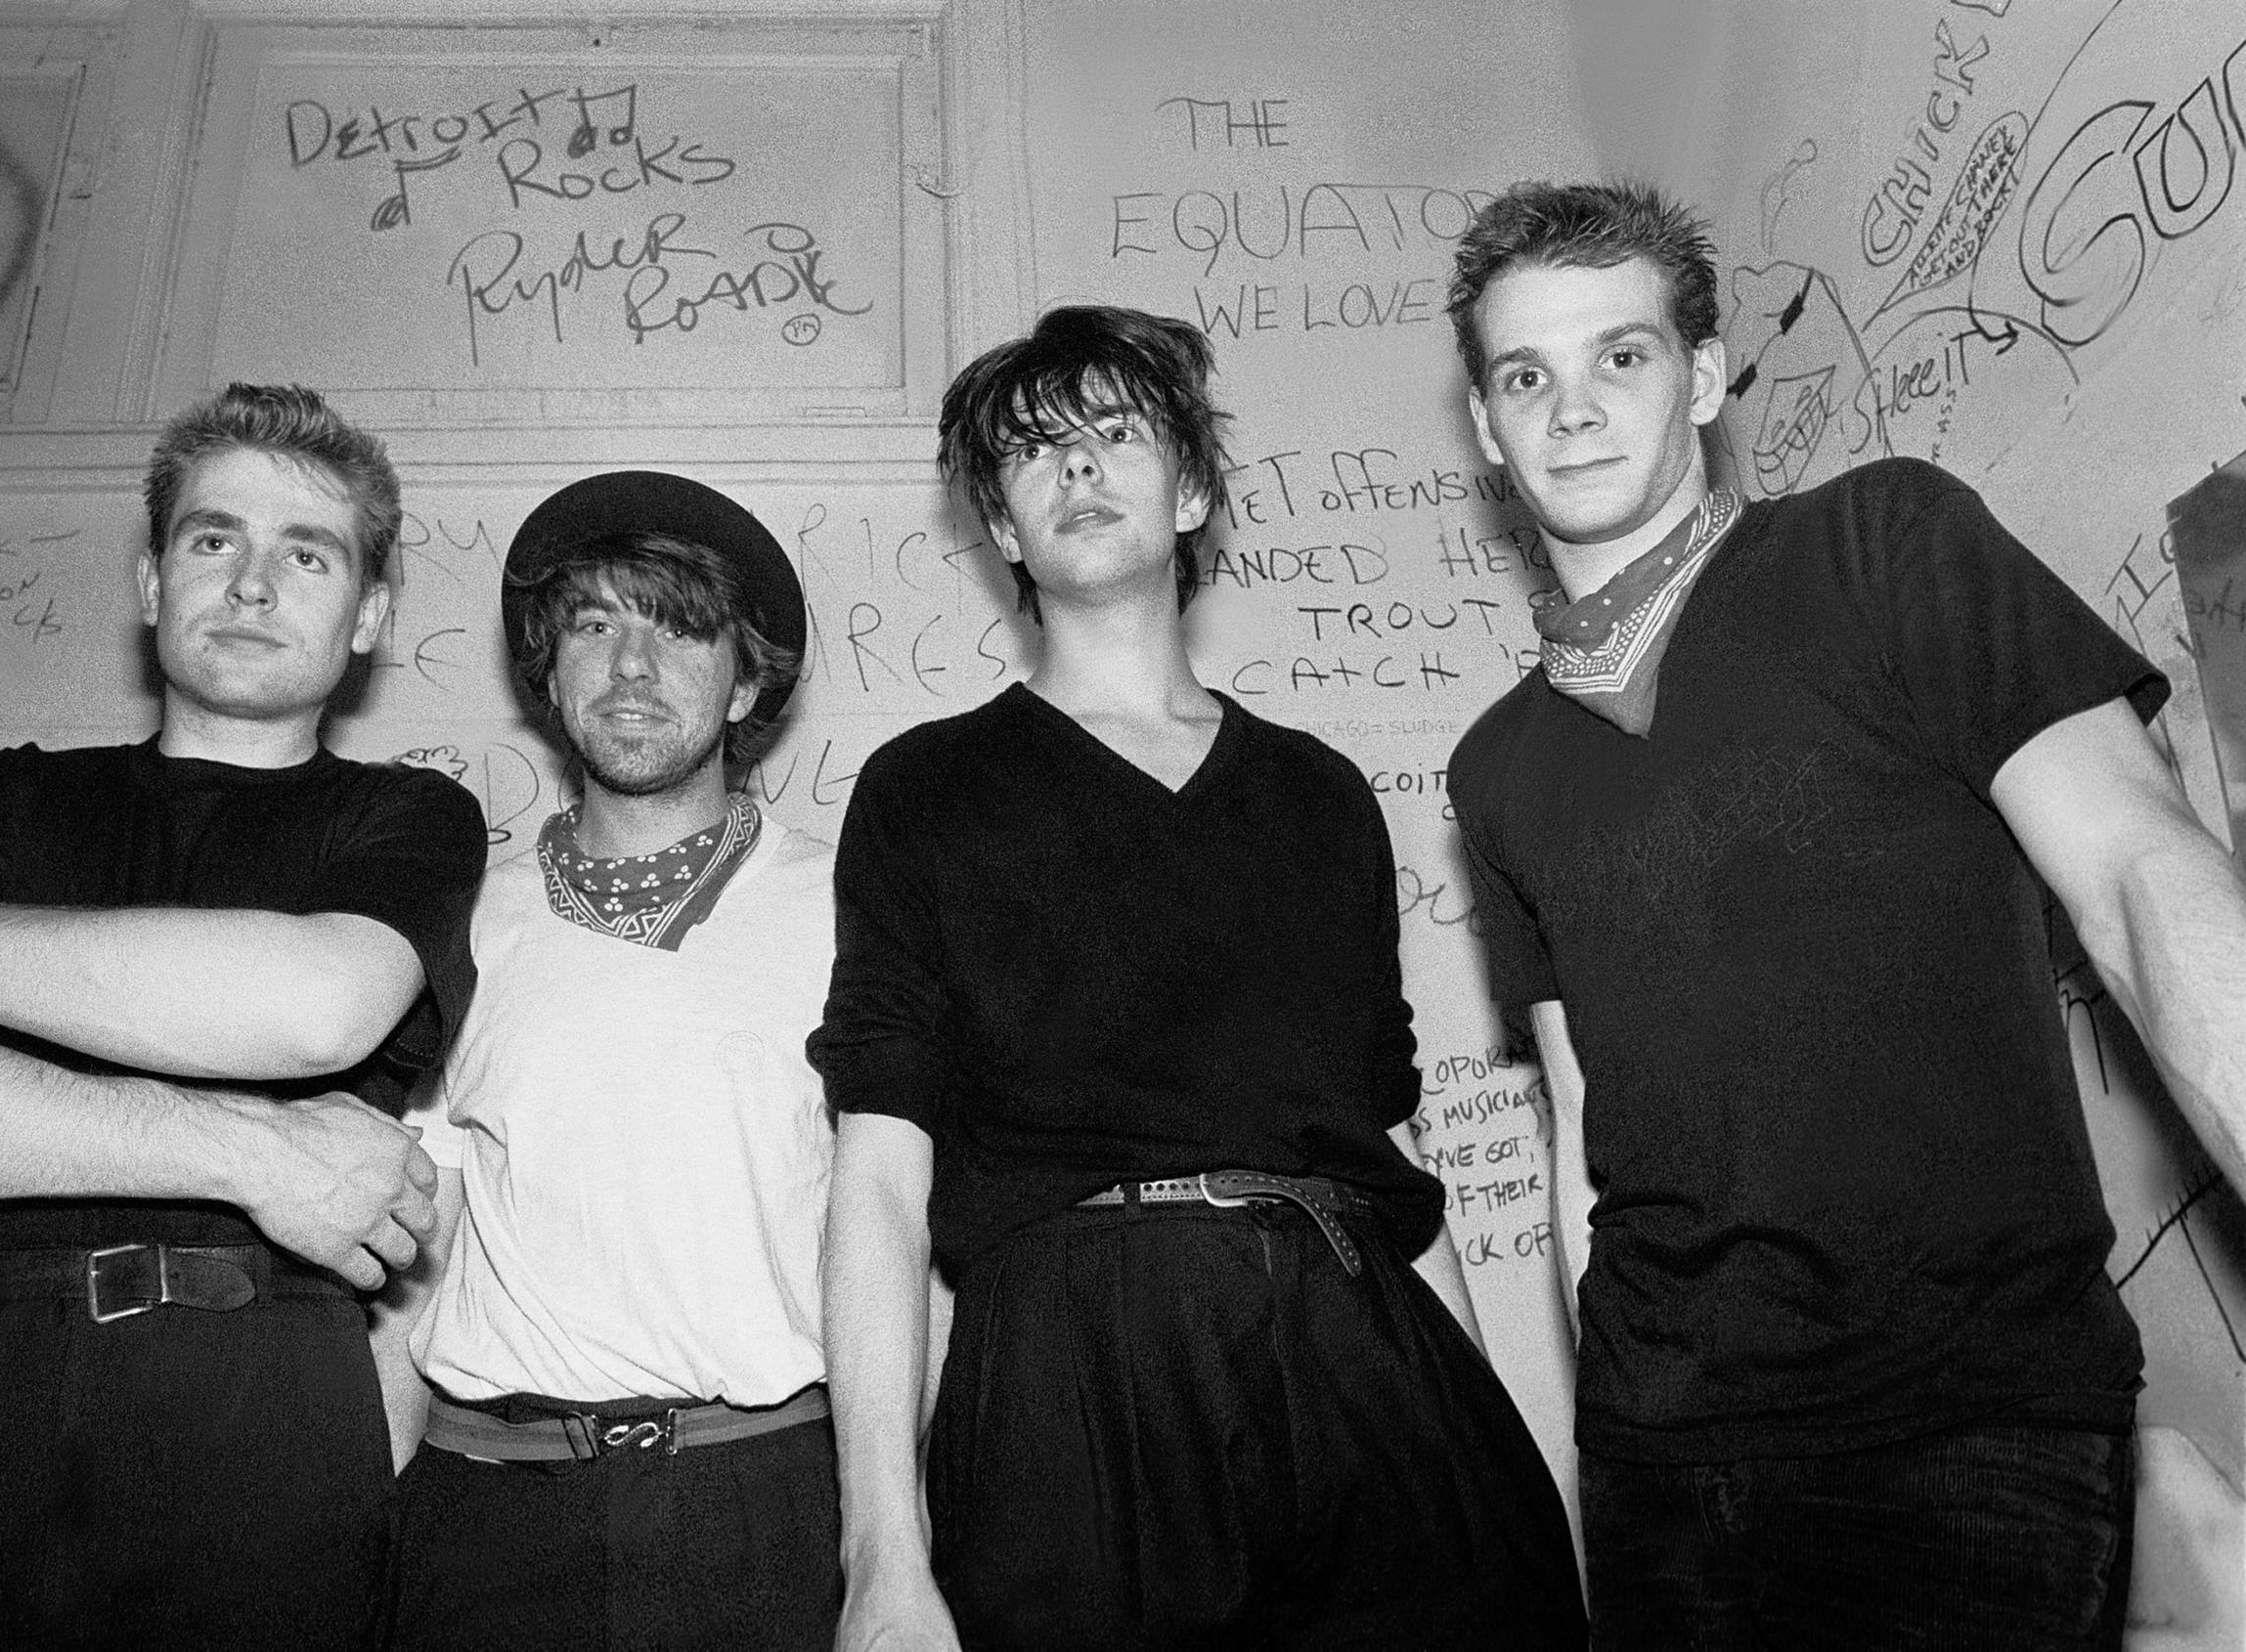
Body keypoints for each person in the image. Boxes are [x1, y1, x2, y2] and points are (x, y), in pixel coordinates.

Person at [1443, 180, 2246, 1650]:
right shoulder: (1495, 764)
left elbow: (2141, 873)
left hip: (1969, 1425)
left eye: (1620, 354)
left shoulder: (1883, 543)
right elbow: (1579, 1119)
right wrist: (1608, 1427)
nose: (1573, 409)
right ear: (1489, 431)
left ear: (1701, 377)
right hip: (1658, 1466)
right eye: (1525, 377)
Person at [812, 304, 1587, 1651]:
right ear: (1002, 530)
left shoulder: (1319, 794)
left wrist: (1477, 1446)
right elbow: (879, 1177)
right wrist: (882, 1552)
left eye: (1116, 431)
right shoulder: (923, 790)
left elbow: (1389, 1145)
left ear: (1191, 493)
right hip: (1071, 1369)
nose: (1077, 464)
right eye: (1035, 450)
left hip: (1356, 1336)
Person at [0, 383, 488, 1651]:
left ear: (366, 614)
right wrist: (250, 1153)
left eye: (307, 554)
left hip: (254, 1422)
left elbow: (310, 1006)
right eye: (213, 538)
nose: (252, 583)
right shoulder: (0, 800)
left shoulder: (406, 819)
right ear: (150, 582)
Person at [374, 470, 840, 1651]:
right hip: (488, 1510)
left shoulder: (852, 908)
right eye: (594, 625)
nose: (632, 667)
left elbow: (902, 1236)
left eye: (678, 630)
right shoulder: (452, 915)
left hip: (766, 1499)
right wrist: (371, 1521)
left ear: (746, 683)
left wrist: (903, 1534)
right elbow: (416, 1241)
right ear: (549, 670)